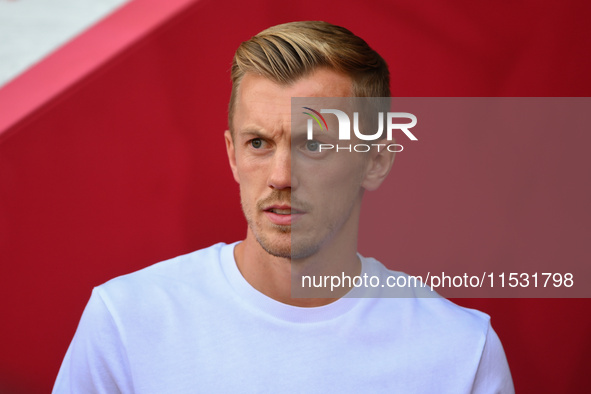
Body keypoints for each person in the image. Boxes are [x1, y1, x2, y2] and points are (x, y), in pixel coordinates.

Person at [53, 21, 514, 393]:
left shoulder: (460, 352)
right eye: (259, 143)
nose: (281, 176)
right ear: (233, 155)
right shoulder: (127, 321)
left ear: (374, 161)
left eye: (314, 146)